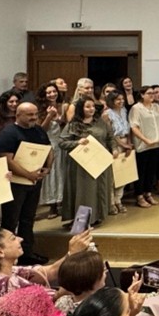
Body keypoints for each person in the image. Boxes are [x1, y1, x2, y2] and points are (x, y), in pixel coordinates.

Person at [0, 226, 92, 302]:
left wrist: (72, 253)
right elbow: (53, 298)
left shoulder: (6, 271)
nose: (20, 239)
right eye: (13, 238)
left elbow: (49, 272)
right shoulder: (3, 284)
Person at [0, 102, 53, 265]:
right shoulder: (8, 133)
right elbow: (6, 159)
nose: (34, 117)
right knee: (11, 220)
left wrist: (48, 168)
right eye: (29, 115)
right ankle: (7, 256)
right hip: (15, 183)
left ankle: (26, 253)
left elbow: (49, 150)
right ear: (18, 115)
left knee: (28, 218)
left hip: (34, 182)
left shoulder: (39, 131)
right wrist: (28, 174)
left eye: (35, 114)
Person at [59, 95, 115, 227]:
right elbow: (62, 142)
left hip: (100, 162)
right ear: (81, 108)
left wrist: (114, 149)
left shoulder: (101, 122)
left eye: (93, 106)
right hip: (81, 165)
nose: (91, 109)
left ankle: (96, 217)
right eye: (88, 107)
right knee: (84, 193)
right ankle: (81, 221)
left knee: (99, 190)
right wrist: (77, 142)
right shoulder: (73, 124)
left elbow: (110, 137)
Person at [36, 80, 66, 219]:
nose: (52, 94)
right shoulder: (40, 109)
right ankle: (52, 205)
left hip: (62, 144)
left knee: (62, 172)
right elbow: (41, 130)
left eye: (54, 91)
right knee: (52, 174)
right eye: (48, 92)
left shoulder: (63, 106)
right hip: (49, 144)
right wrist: (49, 116)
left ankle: (63, 202)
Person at [104, 90, 132, 214]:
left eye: (122, 99)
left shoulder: (124, 111)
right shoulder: (107, 114)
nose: (121, 101)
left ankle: (118, 200)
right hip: (114, 145)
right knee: (113, 176)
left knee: (123, 174)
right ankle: (111, 203)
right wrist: (123, 145)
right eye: (118, 99)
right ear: (111, 101)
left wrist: (129, 144)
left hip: (126, 143)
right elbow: (110, 134)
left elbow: (128, 129)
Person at [54, 248, 107, 316]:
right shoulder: (101, 307)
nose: (105, 273)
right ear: (91, 279)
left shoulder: (61, 302)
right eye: (103, 271)